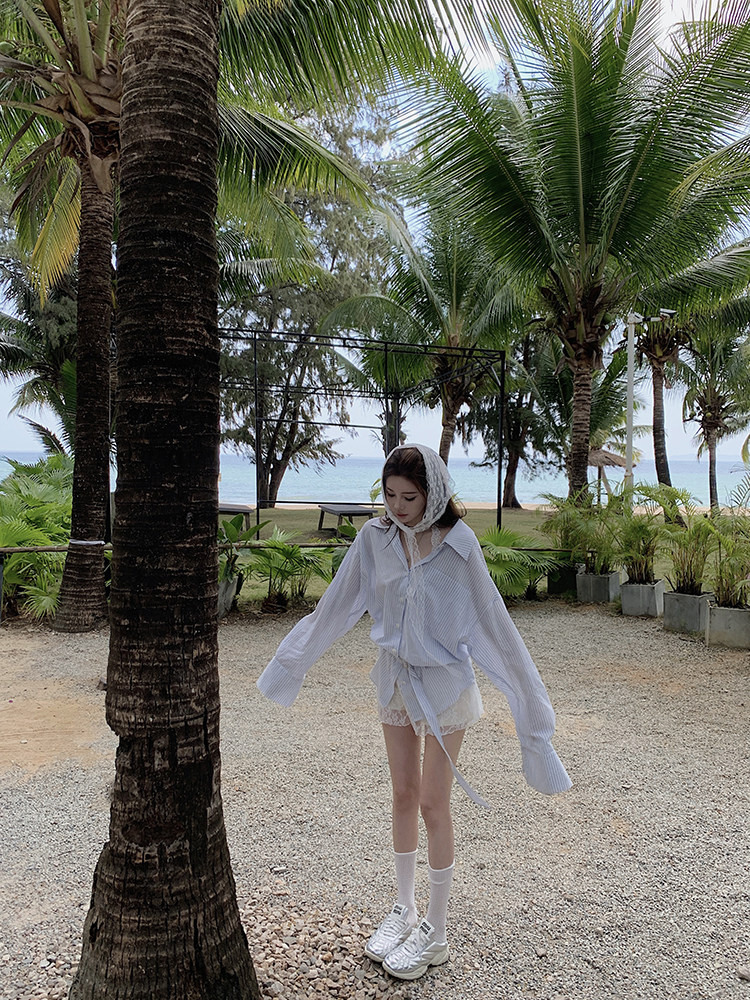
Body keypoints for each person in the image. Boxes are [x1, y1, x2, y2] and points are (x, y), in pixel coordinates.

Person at [257, 443, 571, 981]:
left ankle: (436, 930)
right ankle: (403, 908)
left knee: (432, 802)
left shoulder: (460, 547)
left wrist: (533, 718)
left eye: (410, 497)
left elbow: (496, 629)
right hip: (394, 680)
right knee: (402, 794)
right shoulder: (374, 539)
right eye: (389, 495)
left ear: (434, 495)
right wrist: (290, 664)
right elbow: (336, 605)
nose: (398, 507)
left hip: (446, 686)